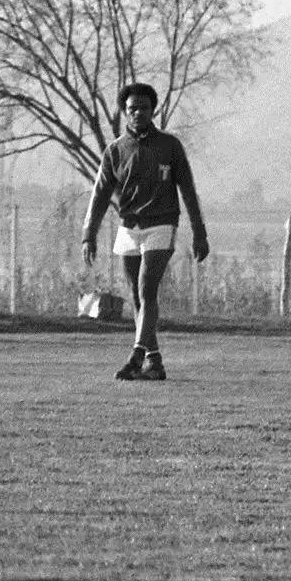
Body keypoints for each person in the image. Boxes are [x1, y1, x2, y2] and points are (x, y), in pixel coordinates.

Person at [80, 83, 211, 381]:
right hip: (129, 228)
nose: (138, 112)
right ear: (124, 112)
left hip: (161, 225)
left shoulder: (169, 146)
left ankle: (136, 356)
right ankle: (155, 361)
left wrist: (199, 232)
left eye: (143, 107)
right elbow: (100, 194)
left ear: (153, 110)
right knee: (138, 299)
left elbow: (188, 190)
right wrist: (89, 234)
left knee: (146, 290)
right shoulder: (115, 150)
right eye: (132, 108)